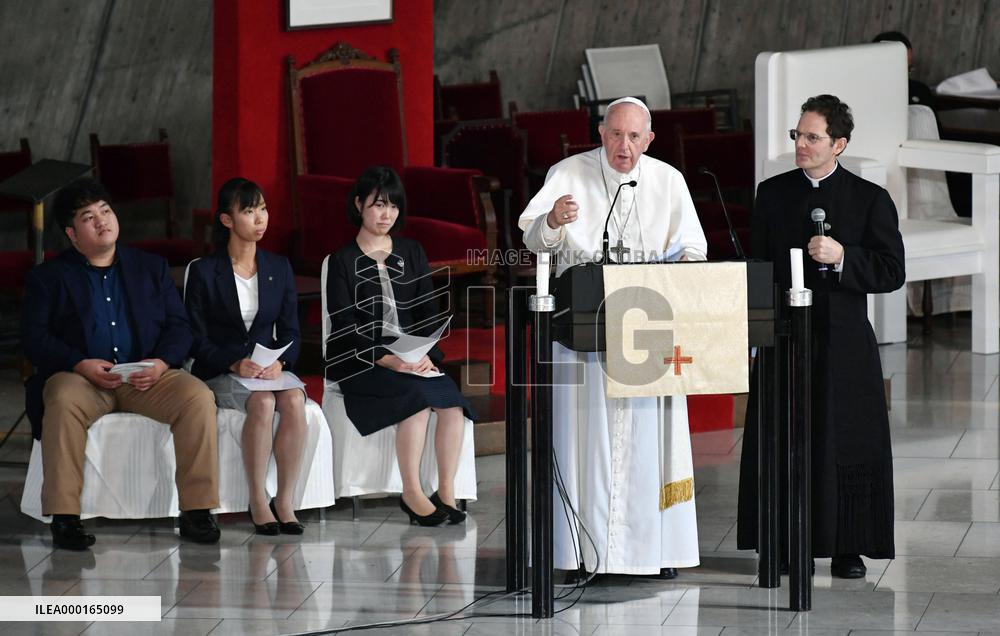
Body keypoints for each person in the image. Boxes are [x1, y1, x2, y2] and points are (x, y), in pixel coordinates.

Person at [518, 96, 708, 579]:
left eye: (634, 137)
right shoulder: (567, 172)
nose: (624, 146)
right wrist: (554, 223)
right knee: (587, 439)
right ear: (601, 133)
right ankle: (582, 553)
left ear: (649, 139)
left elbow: (693, 244)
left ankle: (653, 552)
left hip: (648, 324)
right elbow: (532, 239)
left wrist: (685, 265)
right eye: (616, 134)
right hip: (584, 325)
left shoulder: (668, 180)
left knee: (649, 441)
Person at [736, 95, 905, 578]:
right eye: (798, 135)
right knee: (785, 438)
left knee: (846, 439)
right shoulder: (772, 195)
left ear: (839, 144)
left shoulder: (870, 198)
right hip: (787, 338)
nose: (801, 145)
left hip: (844, 342)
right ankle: (786, 539)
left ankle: (847, 545)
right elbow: (760, 269)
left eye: (812, 137)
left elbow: (892, 270)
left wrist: (844, 257)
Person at [21, 178, 220, 550]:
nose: (102, 221)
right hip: (81, 379)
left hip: (146, 377)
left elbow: (180, 326)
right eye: (88, 217)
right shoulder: (49, 278)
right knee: (61, 399)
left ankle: (197, 511)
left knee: (197, 396)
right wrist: (78, 363)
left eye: (106, 211)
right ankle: (65, 518)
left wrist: (161, 364)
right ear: (71, 233)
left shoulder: (151, 267)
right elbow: (34, 338)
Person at [325, 166, 475, 527]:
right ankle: (411, 493)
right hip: (363, 361)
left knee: (453, 406)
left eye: (393, 206)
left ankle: (446, 492)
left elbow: (428, 311)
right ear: (359, 204)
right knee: (419, 404)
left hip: (412, 356)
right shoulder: (342, 261)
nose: (386, 214)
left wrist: (424, 355)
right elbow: (344, 326)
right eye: (378, 205)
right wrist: (388, 359)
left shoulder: (412, 251)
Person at [185, 178, 308, 535]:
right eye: (249, 211)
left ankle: (284, 500)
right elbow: (194, 337)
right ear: (226, 220)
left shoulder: (278, 267)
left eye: (263, 209)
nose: (260, 219)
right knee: (264, 404)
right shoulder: (206, 271)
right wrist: (234, 362)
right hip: (223, 369)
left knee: (294, 401)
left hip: (268, 369)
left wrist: (281, 363)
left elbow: (292, 332)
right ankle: (257, 498)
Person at [872, 31, 935, 107]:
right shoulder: (861, 93)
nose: (904, 76)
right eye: (898, 70)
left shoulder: (920, 91)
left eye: (909, 69)